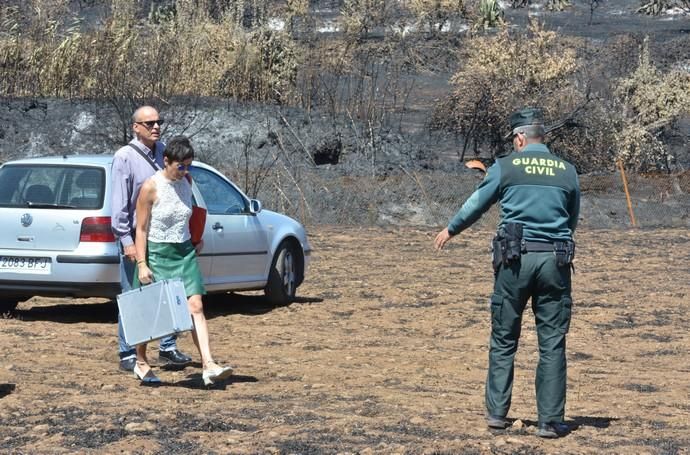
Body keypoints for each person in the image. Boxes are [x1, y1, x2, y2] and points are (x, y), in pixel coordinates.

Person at [434, 108, 580, 439]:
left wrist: (451, 229)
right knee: (553, 342)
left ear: (519, 137)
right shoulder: (568, 171)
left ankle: (497, 415)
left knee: (503, 338)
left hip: (515, 261)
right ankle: (550, 421)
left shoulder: (506, 166)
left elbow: (477, 203)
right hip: (555, 261)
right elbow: (572, 220)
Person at [133, 136, 233, 386]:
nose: (185, 171)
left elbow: (189, 215)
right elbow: (142, 229)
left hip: (185, 252)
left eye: (189, 166)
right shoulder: (150, 187)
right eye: (181, 166)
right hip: (158, 252)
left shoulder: (187, 181)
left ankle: (208, 364)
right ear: (166, 161)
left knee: (196, 306)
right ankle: (141, 359)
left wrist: (196, 238)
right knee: (153, 313)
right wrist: (142, 263)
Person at [111, 106, 192, 372]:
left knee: (170, 291)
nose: (156, 127)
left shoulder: (166, 152)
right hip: (137, 235)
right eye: (149, 123)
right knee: (134, 295)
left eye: (159, 122)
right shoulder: (124, 157)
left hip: (166, 237)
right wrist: (128, 242)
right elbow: (120, 206)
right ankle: (128, 352)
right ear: (136, 127)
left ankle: (167, 347)